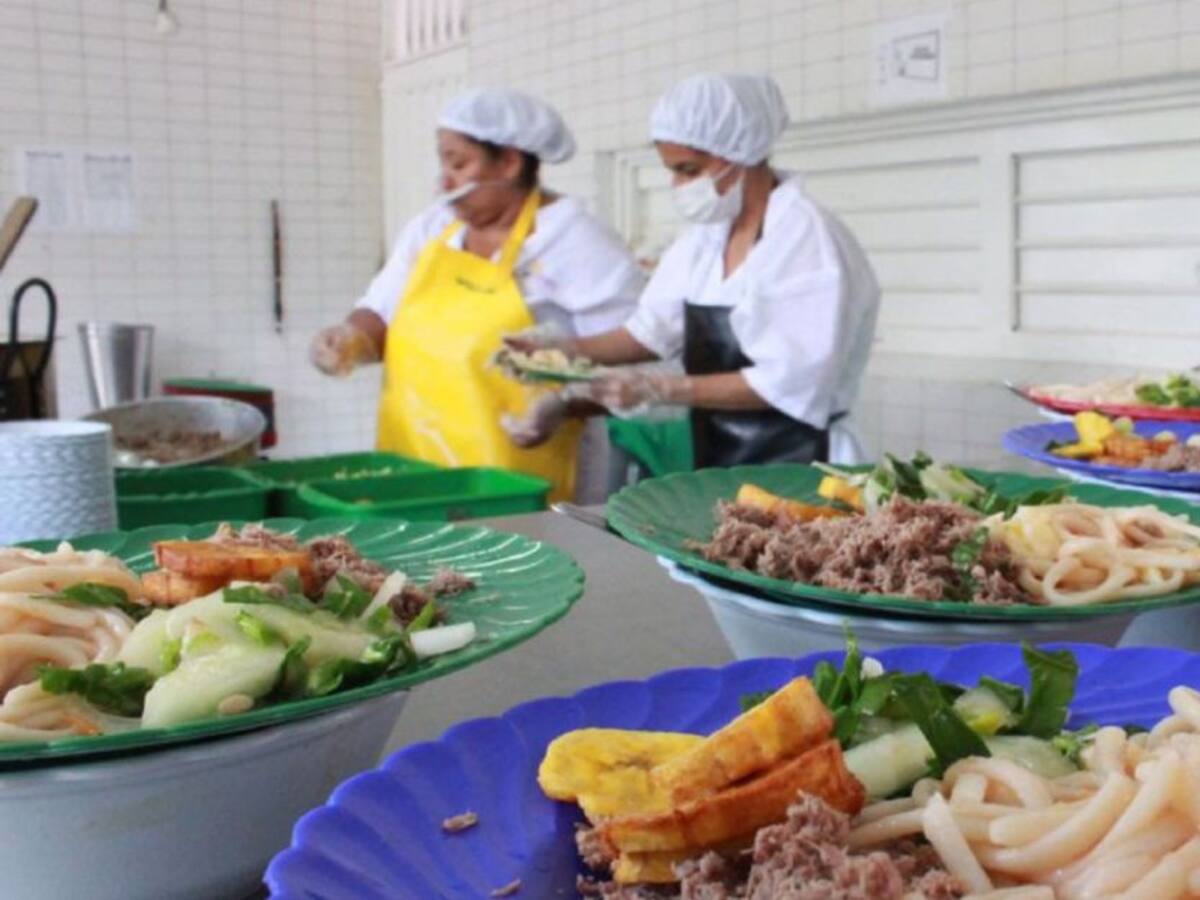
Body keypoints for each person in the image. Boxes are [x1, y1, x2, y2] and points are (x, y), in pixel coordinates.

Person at [506, 74, 880, 469]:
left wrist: (661, 388)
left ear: (742, 152)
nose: (679, 185)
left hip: (806, 460)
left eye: (689, 169)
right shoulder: (705, 238)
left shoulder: (805, 241)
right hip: (721, 453)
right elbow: (648, 333)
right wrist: (563, 350)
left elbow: (789, 382)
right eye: (673, 171)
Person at [310, 87, 643, 500]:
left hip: (524, 481)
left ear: (508, 162)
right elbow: (380, 311)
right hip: (413, 469)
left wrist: (565, 404)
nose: (443, 181)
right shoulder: (433, 229)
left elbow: (635, 361)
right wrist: (350, 339)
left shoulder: (575, 241)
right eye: (443, 162)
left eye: (459, 163)